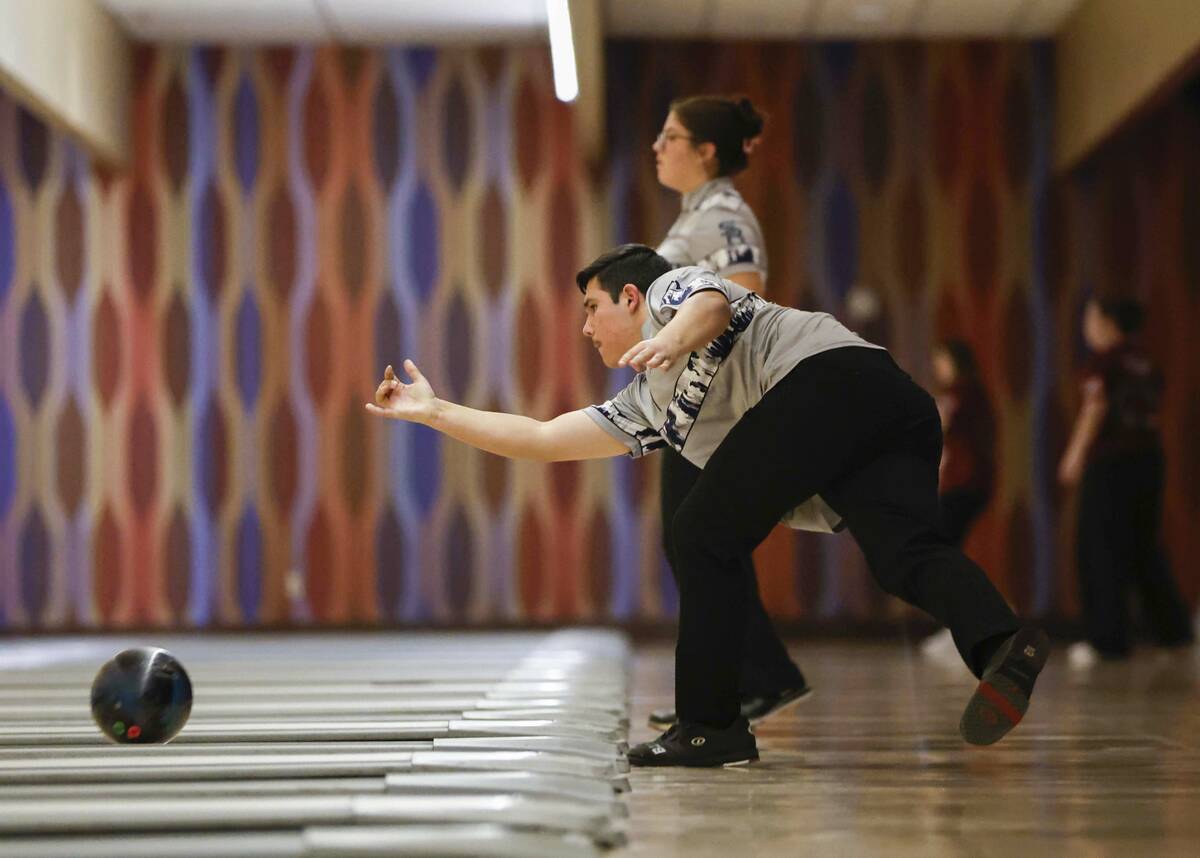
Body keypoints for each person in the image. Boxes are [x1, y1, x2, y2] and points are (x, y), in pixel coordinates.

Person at [367, 244, 1049, 767]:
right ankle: (1000, 641)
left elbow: (712, 308)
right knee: (902, 557)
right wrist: (437, 414)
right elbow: (544, 440)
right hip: (892, 413)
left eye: (590, 308)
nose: (584, 327)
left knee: (698, 534)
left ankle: (710, 726)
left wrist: (665, 339)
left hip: (832, 382)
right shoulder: (644, 406)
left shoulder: (668, 290)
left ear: (629, 297)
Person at [646, 94, 810, 731]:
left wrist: (675, 339)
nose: (658, 148)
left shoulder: (722, 215)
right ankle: (753, 680)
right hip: (692, 404)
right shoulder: (698, 213)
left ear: (706, 150)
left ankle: (747, 684)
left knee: (696, 544)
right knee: (698, 545)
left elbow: (747, 291)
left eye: (670, 136)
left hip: (715, 405)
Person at [1058, 297, 1193, 667]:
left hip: (1111, 462)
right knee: (1143, 546)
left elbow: (1096, 407)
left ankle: (1107, 641)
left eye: (1090, 316)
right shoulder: (1146, 361)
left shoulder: (1105, 361)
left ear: (1107, 320)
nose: (1086, 325)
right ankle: (1174, 632)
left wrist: (1074, 454)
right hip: (1149, 461)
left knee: (1099, 546)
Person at [921, 340, 997, 661]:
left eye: (941, 360)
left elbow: (938, 427)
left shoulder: (960, 393)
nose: (937, 368)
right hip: (969, 485)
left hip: (962, 485)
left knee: (941, 555)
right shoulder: (971, 394)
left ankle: (967, 628)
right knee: (945, 554)